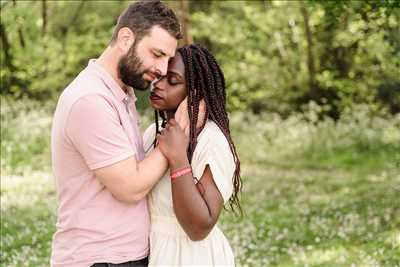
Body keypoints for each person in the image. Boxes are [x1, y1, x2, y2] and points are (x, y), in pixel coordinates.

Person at [50, 1, 182, 266]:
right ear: (125, 39)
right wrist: (177, 133)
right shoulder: (90, 99)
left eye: (168, 59)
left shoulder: (119, 94)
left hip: (120, 258)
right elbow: (130, 187)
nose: (163, 69)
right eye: (157, 54)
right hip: (100, 260)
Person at [143, 44, 242, 266]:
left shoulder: (211, 141)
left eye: (173, 80)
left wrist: (178, 156)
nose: (158, 84)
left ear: (194, 92)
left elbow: (199, 227)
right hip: (156, 251)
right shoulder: (152, 134)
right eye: (158, 76)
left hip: (193, 257)